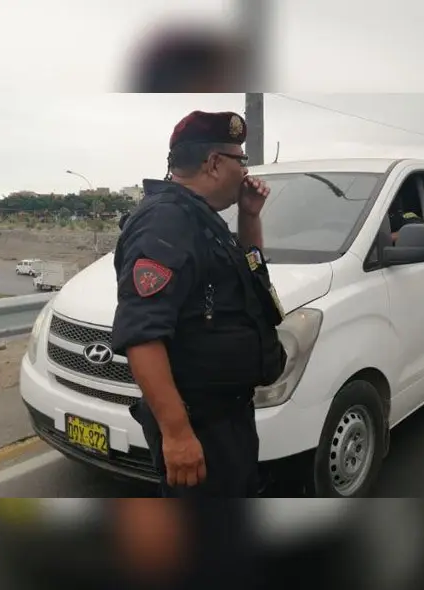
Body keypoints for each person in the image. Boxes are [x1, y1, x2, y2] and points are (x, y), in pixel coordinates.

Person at [110, 110, 288, 497]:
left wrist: (249, 215)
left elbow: (251, 270)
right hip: (199, 422)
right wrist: (177, 435)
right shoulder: (166, 222)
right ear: (213, 163)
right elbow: (142, 335)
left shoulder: (201, 218)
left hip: (226, 415)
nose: (245, 170)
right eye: (240, 160)